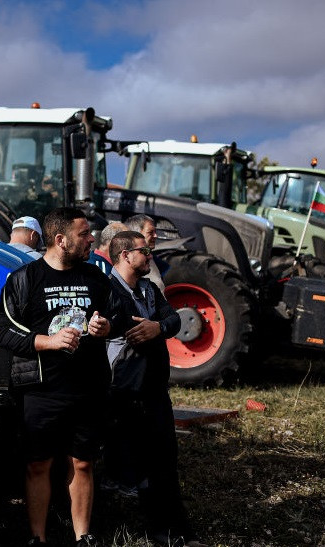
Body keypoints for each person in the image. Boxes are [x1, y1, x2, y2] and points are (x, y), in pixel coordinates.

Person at [0, 206, 123, 547]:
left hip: (88, 388)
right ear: (61, 240)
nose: (92, 240)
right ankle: (38, 537)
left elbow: (119, 317)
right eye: (84, 235)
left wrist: (106, 325)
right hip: (41, 389)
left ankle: (84, 536)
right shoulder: (24, 279)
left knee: (82, 463)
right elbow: (1, 332)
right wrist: (48, 341)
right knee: (38, 464)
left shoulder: (96, 277)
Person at [104, 230, 205, 547]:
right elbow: (116, 326)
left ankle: (176, 532)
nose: (149, 255)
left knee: (165, 461)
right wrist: (143, 328)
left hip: (154, 392)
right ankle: (153, 531)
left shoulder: (148, 290)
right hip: (124, 393)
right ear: (124, 255)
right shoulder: (107, 291)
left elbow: (173, 320)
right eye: (144, 250)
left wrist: (156, 327)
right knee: (137, 465)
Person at [124, 214, 167, 290]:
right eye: (150, 232)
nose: (156, 236)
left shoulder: (152, 258)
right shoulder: (129, 261)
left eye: (155, 232)